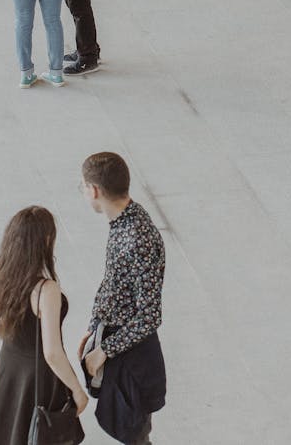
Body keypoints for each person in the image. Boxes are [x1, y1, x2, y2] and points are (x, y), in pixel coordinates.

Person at [78, 152, 167, 445]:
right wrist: (94, 329)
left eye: (83, 187)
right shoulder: (123, 221)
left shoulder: (136, 237)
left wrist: (105, 350)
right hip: (116, 341)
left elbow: (149, 316)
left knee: (135, 435)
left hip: (133, 357)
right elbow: (114, 283)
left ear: (94, 190)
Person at [0, 206, 89, 445]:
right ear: (47, 240)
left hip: (8, 370)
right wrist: (77, 390)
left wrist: (18, 342)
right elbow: (51, 353)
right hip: (38, 378)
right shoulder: (45, 290)